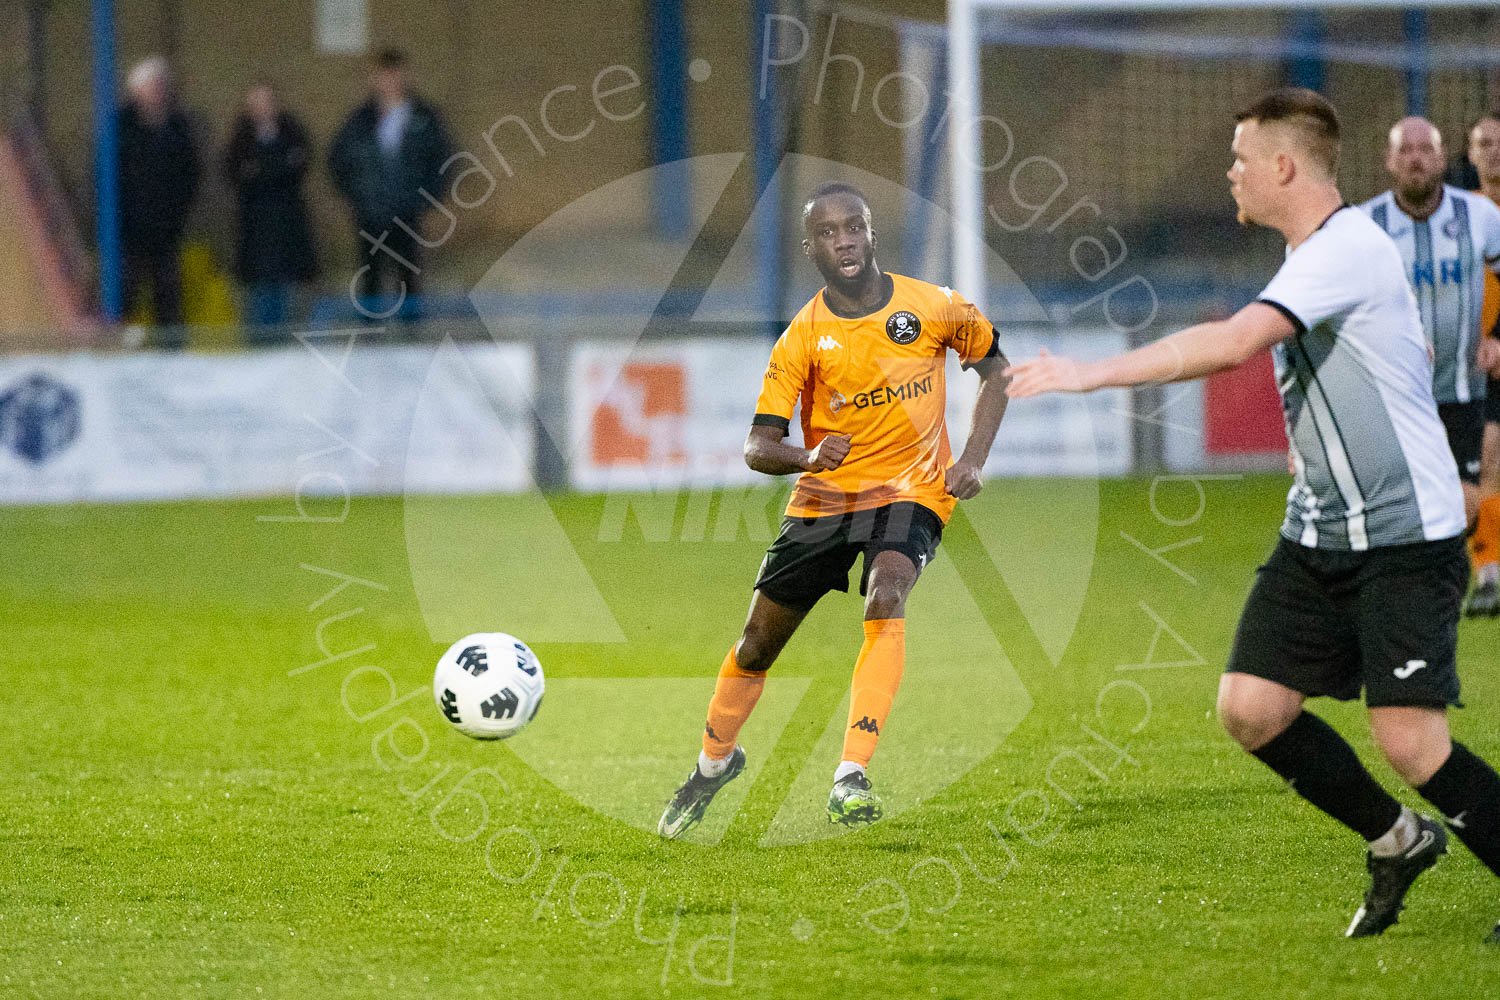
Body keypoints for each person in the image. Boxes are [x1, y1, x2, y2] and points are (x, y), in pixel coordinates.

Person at [1006, 88, 1500, 944]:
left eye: (1239, 158)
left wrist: (1088, 375)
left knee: (1411, 742)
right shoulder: (1318, 253)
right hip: (1319, 535)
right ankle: (1397, 842)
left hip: (1402, 540)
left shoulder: (1345, 249)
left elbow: (1234, 342)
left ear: (1283, 165)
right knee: (1250, 709)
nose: (1228, 172)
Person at [656, 183, 1011, 838]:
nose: (844, 240)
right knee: (757, 643)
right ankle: (712, 766)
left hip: (913, 488)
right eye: (828, 232)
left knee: (887, 593)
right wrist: (807, 455)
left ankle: (851, 774)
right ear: (811, 247)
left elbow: (996, 370)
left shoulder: (934, 306)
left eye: (855, 227)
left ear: (872, 233)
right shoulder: (801, 340)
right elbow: (757, 446)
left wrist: (972, 459)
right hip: (825, 497)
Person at [1358, 117, 1500, 615]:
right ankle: (1405, 594)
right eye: (1406, 151)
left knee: (1463, 502)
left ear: (1442, 159)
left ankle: (1445, 581)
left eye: (1426, 149)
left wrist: (1498, 338)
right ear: (1390, 161)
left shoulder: (1479, 215)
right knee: (1392, 501)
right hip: (1392, 393)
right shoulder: (1364, 224)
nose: (1416, 159)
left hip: (1461, 389)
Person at [328, 48, 454, 323]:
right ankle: (369, 338)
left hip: (408, 212)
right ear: (374, 79)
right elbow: (338, 159)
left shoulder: (424, 117)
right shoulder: (360, 120)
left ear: (405, 76)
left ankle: (411, 335)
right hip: (371, 214)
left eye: (394, 74)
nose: (389, 81)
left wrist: (427, 199)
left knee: (409, 276)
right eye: (383, 75)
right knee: (370, 276)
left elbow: (444, 159)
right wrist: (357, 197)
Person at [221, 80, 319, 337]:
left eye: (267, 102)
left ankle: (285, 335)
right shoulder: (241, 138)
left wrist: (262, 171)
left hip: (287, 223)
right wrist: (275, 168)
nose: (263, 108)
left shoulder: (292, 132)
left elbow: (298, 164)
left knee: (286, 287)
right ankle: (259, 336)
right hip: (255, 227)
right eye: (256, 103)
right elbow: (237, 171)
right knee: (259, 290)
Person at [118, 56, 200, 343]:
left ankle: (171, 351)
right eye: (153, 87)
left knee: (168, 295)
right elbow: (107, 176)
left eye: (163, 86)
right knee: (125, 295)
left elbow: (191, 173)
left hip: (167, 230)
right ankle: (122, 349)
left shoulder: (177, 127)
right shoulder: (121, 128)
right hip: (129, 231)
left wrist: (177, 212)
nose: (159, 92)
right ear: (137, 91)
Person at [1463, 111, 1500, 614]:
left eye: (1499, 142)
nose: (1493, 151)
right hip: (1475, 360)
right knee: (1486, 460)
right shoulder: (1460, 215)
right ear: (1470, 154)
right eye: (1483, 143)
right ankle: (1489, 574)